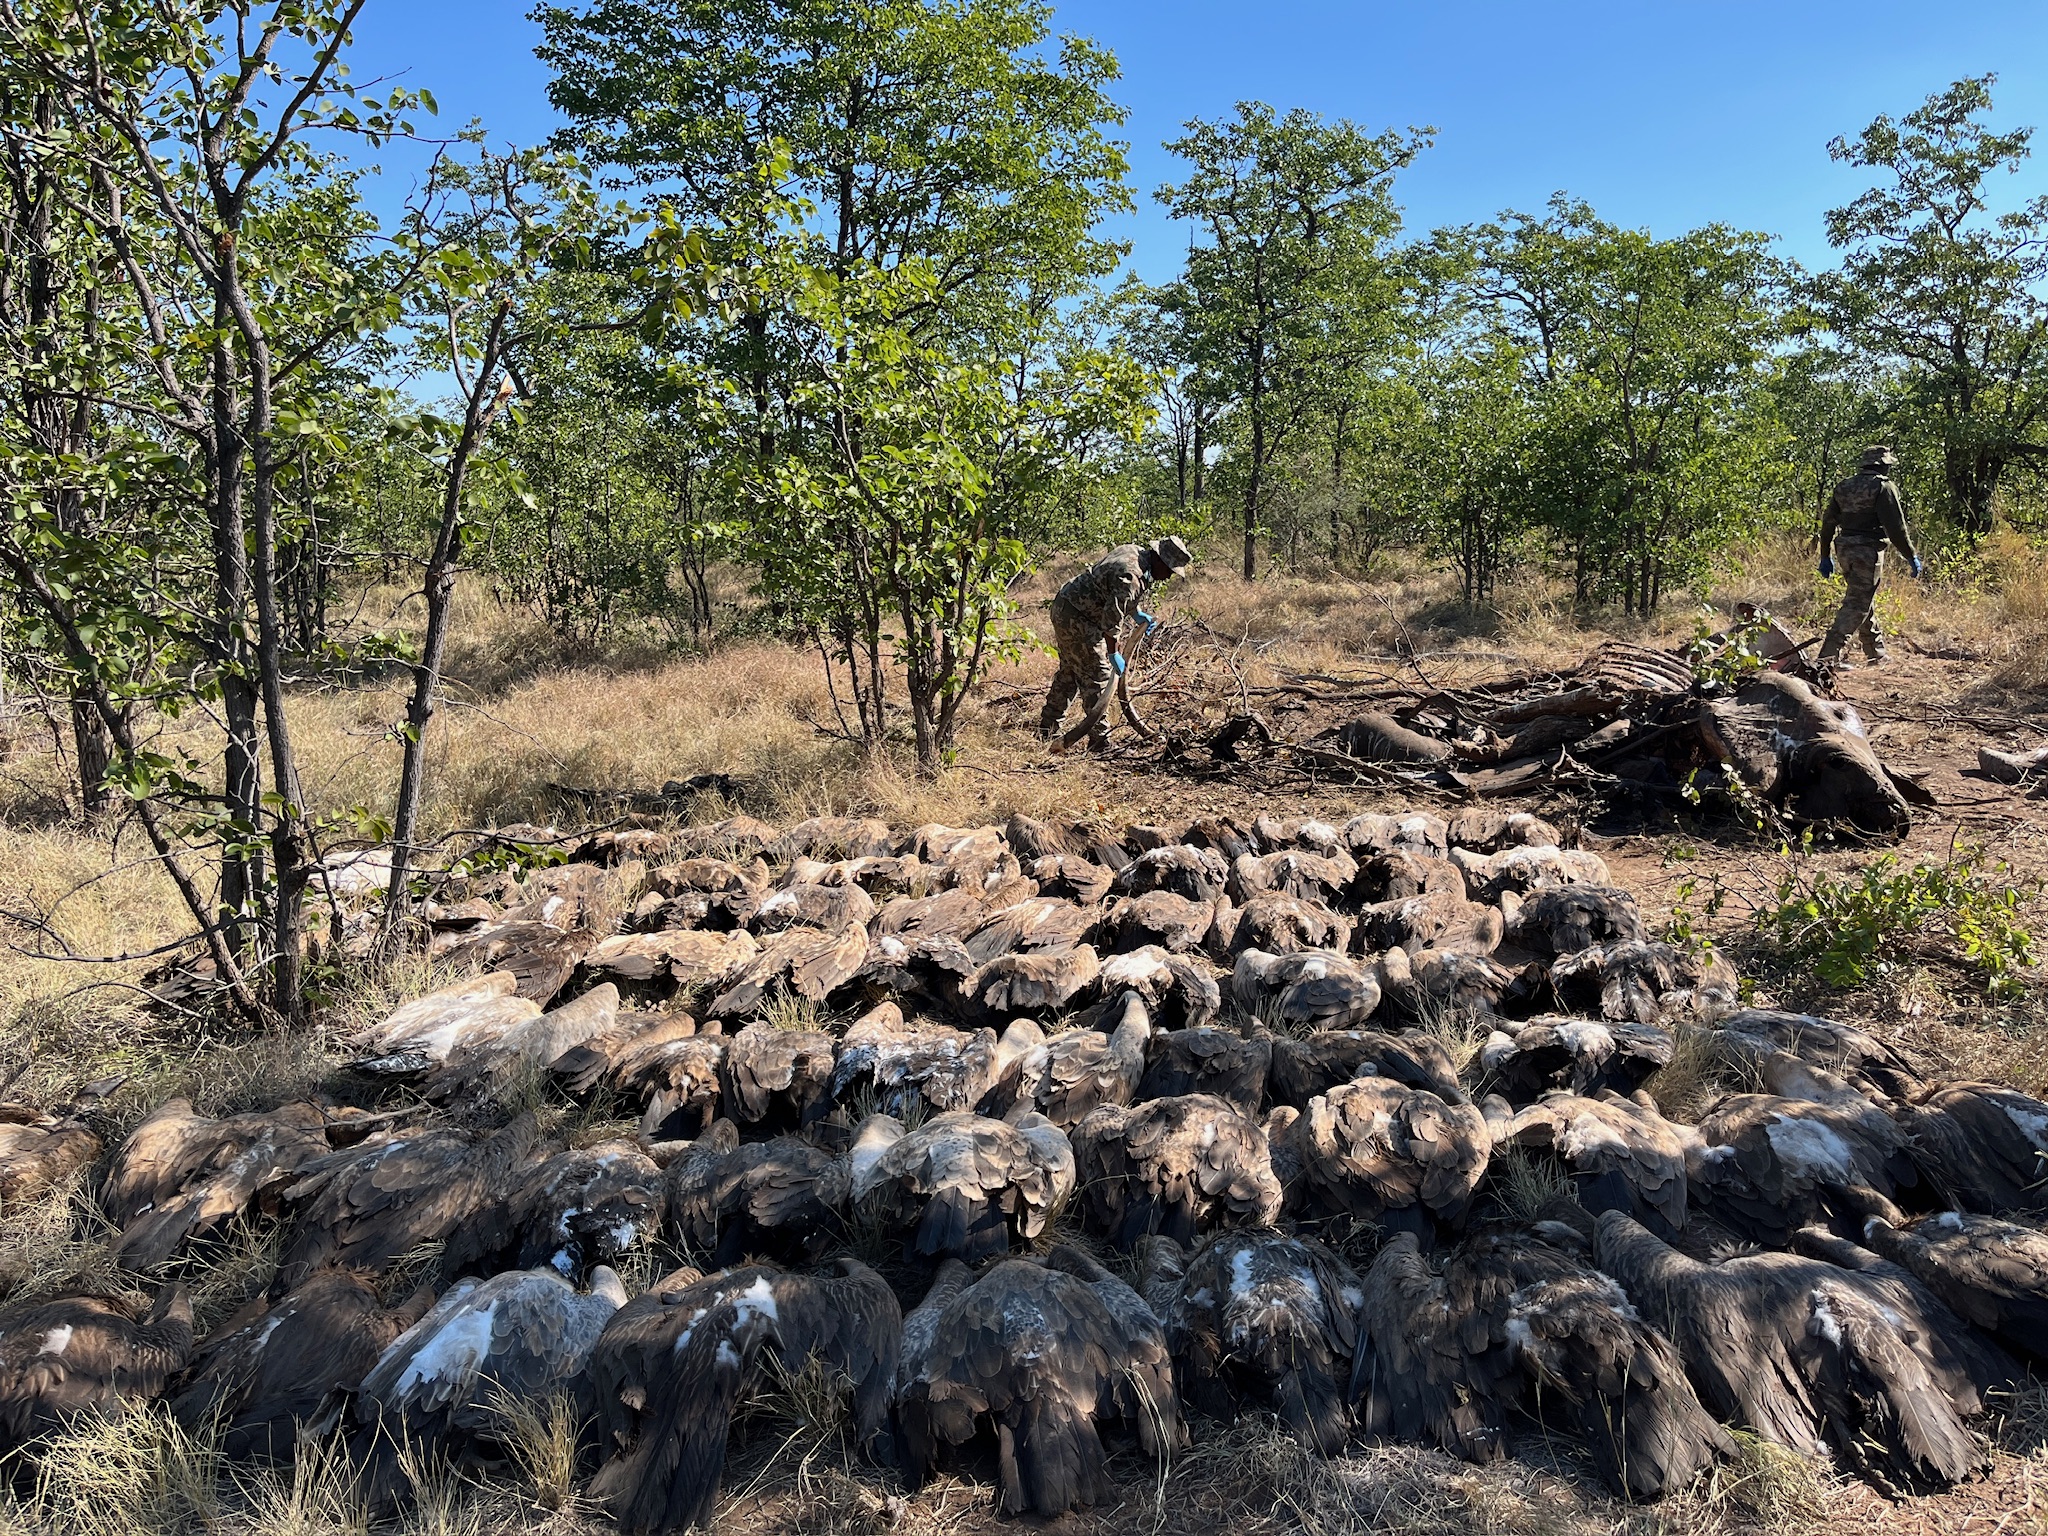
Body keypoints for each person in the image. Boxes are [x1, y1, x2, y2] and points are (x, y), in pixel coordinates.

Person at [1039, 536, 1193, 750]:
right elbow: (1111, 620)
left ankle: (1047, 729)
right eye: (1169, 570)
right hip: (1077, 616)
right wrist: (1113, 654)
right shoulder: (1131, 576)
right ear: (1159, 560)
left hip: (1068, 606)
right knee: (1097, 675)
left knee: (1071, 671)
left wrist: (1137, 613)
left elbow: (1113, 591)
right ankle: (1100, 742)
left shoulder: (1135, 552)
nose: (1168, 577)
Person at [1817, 445, 1923, 666]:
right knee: (1857, 604)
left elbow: (1828, 523)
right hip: (1868, 551)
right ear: (1883, 465)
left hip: (1844, 549)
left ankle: (1875, 651)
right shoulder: (1883, 487)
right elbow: (1896, 528)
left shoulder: (1844, 486)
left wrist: (1825, 555)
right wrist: (1910, 555)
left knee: (1863, 597)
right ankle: (1827, 656)